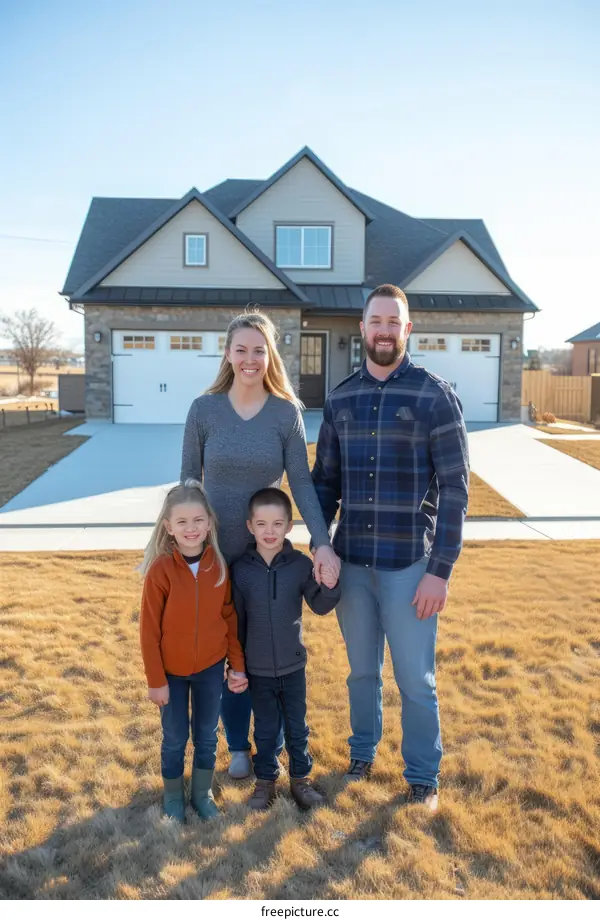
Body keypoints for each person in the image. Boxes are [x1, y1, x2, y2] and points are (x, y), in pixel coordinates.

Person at [311, 284, 469, 812]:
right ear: (362, 328)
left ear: (408, 330)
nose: (383, 330)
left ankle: (424, 777)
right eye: (375, 320)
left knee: (415, 680)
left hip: (410, 567)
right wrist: (319, 544)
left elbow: (456, 490)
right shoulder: (341, 398)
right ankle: (362, 753)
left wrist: (439, 571)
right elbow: (324, 483)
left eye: (392, 322)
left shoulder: (434, 395)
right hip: (352, 562)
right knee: (360, 671)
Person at [180, 308, 340, 780]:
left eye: (259, 350)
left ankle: (278, 744)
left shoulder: (285, 413)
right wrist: (183, 546)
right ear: (228, 353)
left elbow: (303, 486)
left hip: (264, 556)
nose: (250, 358)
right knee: (227, 653)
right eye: (241, 349)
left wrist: (322, 543)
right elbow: (188, 482)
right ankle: (237, 746)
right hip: (211, 555)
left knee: (263, 652)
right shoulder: (203, 410)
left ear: (270, 355)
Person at [139, 480, 248, 824]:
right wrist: (156, 680)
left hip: (210, 669)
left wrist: (237, 665)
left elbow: (228, 616)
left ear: (210, 522)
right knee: (174, 737)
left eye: (198, 520)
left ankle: (202, 793)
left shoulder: (218, 565)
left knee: (205, 735)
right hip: (170, 672)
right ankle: (173, 796)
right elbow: (149, 630)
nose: (191, 528)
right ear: (168, 527)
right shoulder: (161, 570)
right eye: (182, 522)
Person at [230, 488, 340, 811]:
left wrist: (331, 586)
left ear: (289, 526)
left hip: (293, 667)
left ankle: (301, 780)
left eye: (277, 524)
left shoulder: (299, 566)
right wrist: (235, 664)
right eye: (262, 524)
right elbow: (236, 622)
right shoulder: (241, 570)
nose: (269, 531)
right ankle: (265, 782)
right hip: (258, 668)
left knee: (297, 725)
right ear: (250, 526)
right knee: (264, 728)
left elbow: (319, 605)